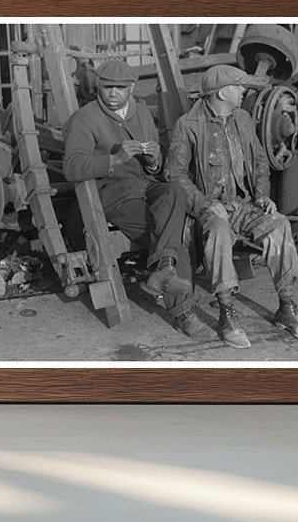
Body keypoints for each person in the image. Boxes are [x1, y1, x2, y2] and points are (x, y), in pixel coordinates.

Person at [166, 64, 298, 349]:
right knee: (220, 232)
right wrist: (206, 204)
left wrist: (262, 194)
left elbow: (260, 160)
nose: (243, 91)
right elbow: (174, 175)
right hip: (207, 209)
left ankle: (286, 308)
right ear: (223, 92)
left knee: (279, 224)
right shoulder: (188, 125)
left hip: (242, 203)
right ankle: (226, 314)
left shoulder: (242, 118)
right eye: (239, 87)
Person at [62, 58, 205, 338]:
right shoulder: (85, 118)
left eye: (120, 88)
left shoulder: (140, 113)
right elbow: (72, 167)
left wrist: (154, 159)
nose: (113, 93)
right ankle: (184, 312)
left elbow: (155, 167)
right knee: (177, 234)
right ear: (98, 87)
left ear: (131, 88)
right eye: (107, 87)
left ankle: (163, 270)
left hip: (143, 186)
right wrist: (113, 159)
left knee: (173, 192)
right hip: (111, 195)